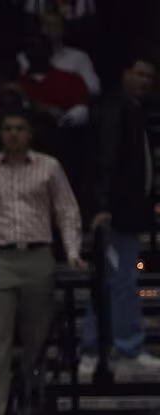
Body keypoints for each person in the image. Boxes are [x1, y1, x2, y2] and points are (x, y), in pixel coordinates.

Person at [0, 110, 83, 415]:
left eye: (20, 128)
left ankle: (30, 398)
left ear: (30, 133)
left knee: (36, 339)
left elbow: (66, 209)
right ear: (1, 134)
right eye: (8, 128)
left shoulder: (49, 166)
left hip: (37, 255)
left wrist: (71, 251)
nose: (14, 134)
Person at [81, 55, 158, 377]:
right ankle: (122, 346)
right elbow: (106, 157)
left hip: (127, 211)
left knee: (114, 279)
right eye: (139, 74)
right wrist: (102, 205)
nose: (144, 81)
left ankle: (99, 347)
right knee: (119, 280)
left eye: (149, 77)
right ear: (125, 73)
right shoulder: (117, 107)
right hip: (115, 213)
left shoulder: (132, 109)